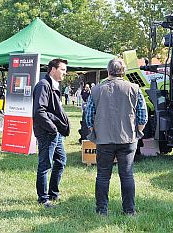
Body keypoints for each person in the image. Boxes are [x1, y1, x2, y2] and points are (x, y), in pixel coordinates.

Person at [85, 58, 147, 216]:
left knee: (103, 175)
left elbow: (89, 116)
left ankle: (101, 211)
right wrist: (138, 132)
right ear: (123, 72)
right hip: (127, 139)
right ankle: (129, 211)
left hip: (104, 140)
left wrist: (94, 133)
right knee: (127, 175)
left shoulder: (96, 90)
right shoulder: (134, 88)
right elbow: (142, 115)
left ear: (108, 71)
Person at [32, 58, 70, 208]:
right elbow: (39, 112)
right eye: (62, 70)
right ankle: (43, 199)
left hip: (55, 133)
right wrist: (53, 128)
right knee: (45, 165)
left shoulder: (54, 85)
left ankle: (53, 193)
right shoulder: (43, 85)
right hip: (47, 132)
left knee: (61, 161)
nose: (65, 73)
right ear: (52, 69)